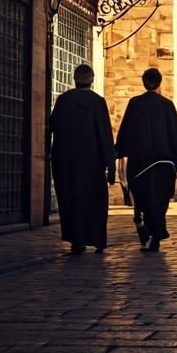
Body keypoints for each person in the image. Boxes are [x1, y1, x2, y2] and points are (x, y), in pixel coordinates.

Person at [115, 67, 177, 253]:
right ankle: (156, 232)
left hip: (141, 163)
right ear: (160, 82)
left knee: (143, 199)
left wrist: (119, 152)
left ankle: (148, 228)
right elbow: (175, 134)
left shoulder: (135, 104)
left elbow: (126, 132)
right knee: (160, 200)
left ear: (144, 82)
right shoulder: (167, 105)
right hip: (164, 163)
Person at [48, 63, 116, 255]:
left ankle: (76, 240)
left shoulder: (63, 101)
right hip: (93, 163)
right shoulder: (98, 102)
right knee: (94, 201)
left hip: (67, 161)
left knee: (71, 201)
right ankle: (98, 239)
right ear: (92, 80)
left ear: (75, 79)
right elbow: (105, 134)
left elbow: (53, 126)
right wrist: (110, 165)